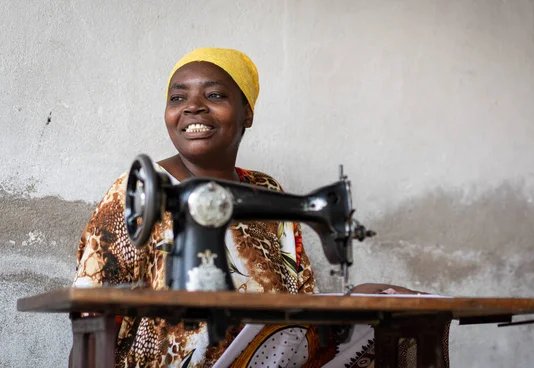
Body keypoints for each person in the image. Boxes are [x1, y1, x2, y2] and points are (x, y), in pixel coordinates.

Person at [72, 48, 449, 367]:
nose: (193, 108)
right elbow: (90, 323)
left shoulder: (267, 190)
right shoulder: (140, 193)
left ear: (247, 113)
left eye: (215, 95)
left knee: (403, 318)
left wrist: (355, 300)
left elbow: (298, 309)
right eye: (177, 97)